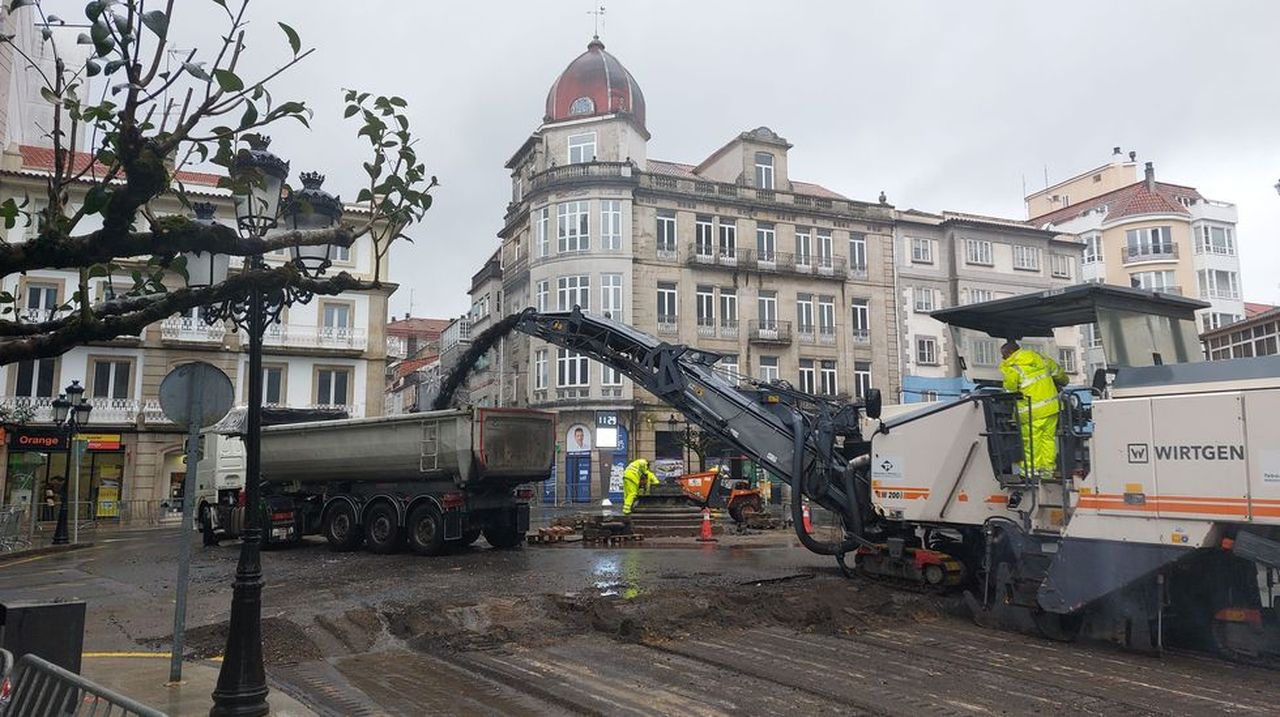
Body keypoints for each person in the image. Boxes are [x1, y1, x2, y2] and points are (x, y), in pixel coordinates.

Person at [999, 340, 1068, 479]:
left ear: (1009, 353)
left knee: (1031, 441)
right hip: (1051, 407)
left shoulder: (1012, 367)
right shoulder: (1040, 358)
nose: (1003, 358)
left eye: (1003, 355)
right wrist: (1064, 381)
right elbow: (1059, 374)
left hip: (1031, 411)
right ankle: (1047, 472)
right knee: (1048, 440)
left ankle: (1031, 472)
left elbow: (1009, 390)